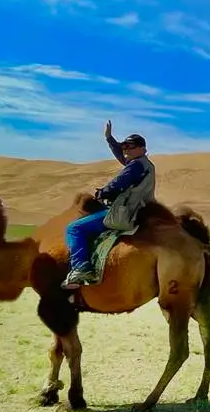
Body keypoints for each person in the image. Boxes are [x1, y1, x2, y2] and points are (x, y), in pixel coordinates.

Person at [63, 121, 156, 289]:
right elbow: (122, 156)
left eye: (130, 146)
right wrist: (109, 139)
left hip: (125, 213)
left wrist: (102, 192)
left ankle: (80, 268)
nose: (126, 149)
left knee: (74, 229)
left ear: (142, 149)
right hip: (140, 211)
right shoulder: (144, 165)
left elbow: (118, 184)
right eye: (125, 146)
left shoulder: (136, 165)